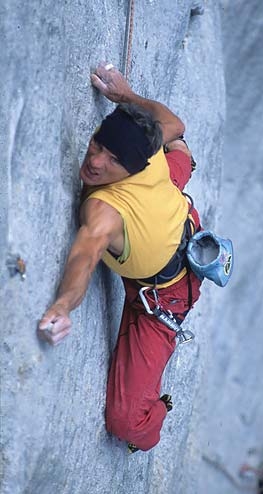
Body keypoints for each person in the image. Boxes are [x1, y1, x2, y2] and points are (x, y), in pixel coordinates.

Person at [38, 62, 204, 452]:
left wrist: (125, 96)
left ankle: (156, 415)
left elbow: (172, 124)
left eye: (113, 160)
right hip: (168, 210)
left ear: (135, 166)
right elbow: (85, 254)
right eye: (98, 145)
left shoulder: (124, 186)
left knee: (127, 424)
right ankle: (181, 162)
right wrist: (63, 304)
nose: (96, 162)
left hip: (164, 296)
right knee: (177, 151)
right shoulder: (122, 184)